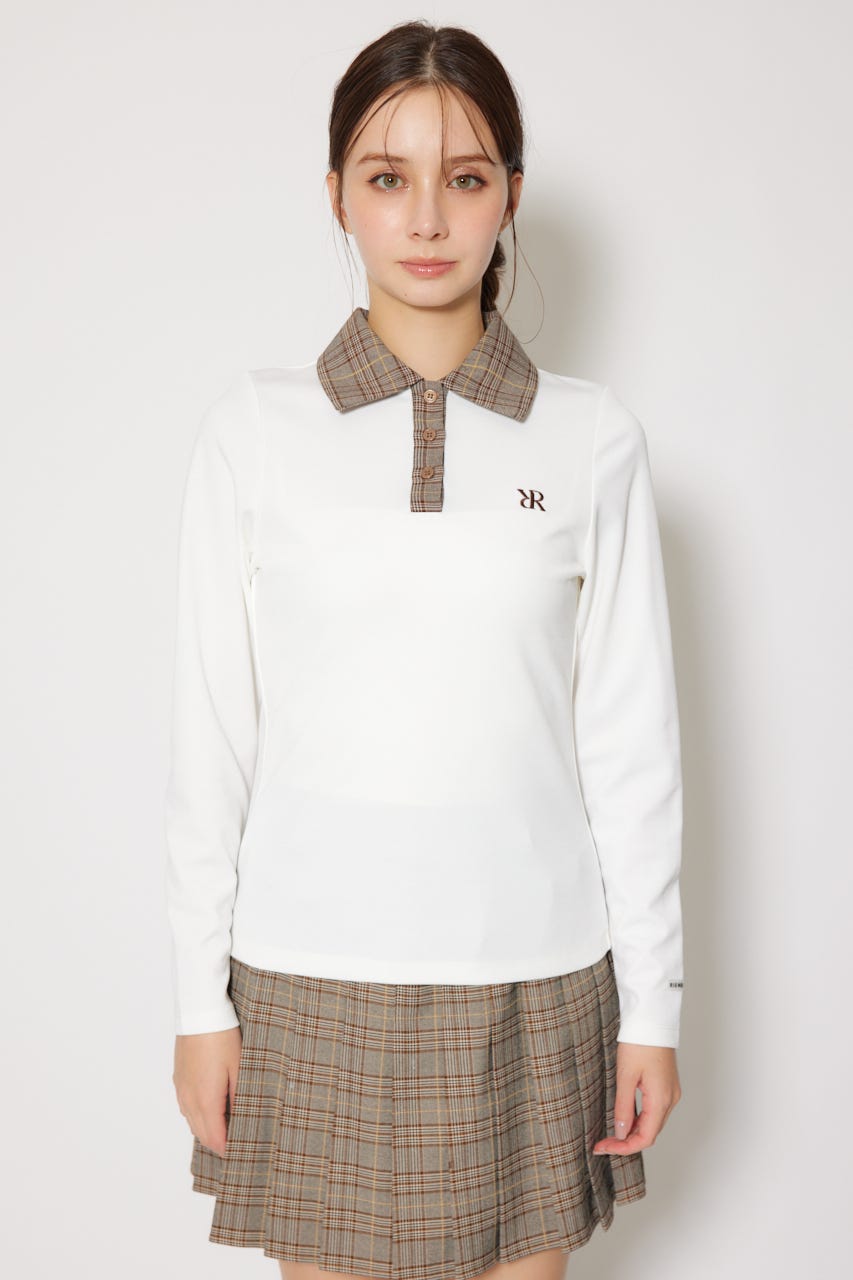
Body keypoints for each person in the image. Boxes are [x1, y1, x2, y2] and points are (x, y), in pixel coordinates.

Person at [166, 18, 684, 1280]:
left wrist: (653, 1007)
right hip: (308, 972)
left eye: (464, 176)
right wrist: (195, 1000)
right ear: (335, 193)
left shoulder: (590, 439)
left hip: (534, 975)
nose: (428, 217)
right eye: (388, 176)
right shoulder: (254, 433)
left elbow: (631, 745)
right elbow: (210, 740)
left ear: (511, 193)